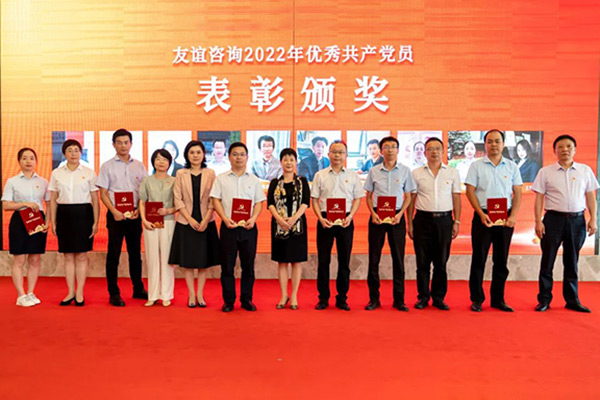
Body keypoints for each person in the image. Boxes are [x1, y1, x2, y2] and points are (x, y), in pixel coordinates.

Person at [532, 135, 599, 313]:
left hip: (577, 221)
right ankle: (544, 299)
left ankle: (572, 300)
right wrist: (538, 221)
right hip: (553, 220)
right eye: (560, 147)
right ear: (555, 150)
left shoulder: (585, 170)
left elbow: (590, 196)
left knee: (572, 261)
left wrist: (594, 218)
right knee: (547, 261)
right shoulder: (545, 172)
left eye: (569, 146)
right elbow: (539, 198)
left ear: (575, 149)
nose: (565, 150)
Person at [465, 129, 522, 312]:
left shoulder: (512, 166)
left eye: (497, 141)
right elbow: (470, 191)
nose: (493, 145)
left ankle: (498, 299)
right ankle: (477, 299)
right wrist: (481, 214)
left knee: (501, 260)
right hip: (483, 217)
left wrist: (513, 216)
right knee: (479, 259)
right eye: (490, 141)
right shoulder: (476, 166)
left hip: (505, 218)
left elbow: (517, 192)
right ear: (485, 144)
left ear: (503, 144)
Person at [211, 142, 266, 312]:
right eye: (235, 154)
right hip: (228, 227)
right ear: (229, 157)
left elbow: (259, 202)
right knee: (227, 266)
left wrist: (253, 219)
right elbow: (215, 200)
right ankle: (228, 301)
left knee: (248, 266)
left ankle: (246, 299)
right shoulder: (221, 178)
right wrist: (224, 219)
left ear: (247, 157)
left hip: (249, 228)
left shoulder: (254, 179)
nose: (238, 158)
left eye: (242, 154)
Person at [407, 138, 461, 310]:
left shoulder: (452, 173)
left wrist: (456, 221)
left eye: (437, 148)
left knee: (441, 262)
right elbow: (411, 199)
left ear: (443, 151)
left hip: (445, 221)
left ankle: (438, 297)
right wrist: (410, 223)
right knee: (422, 262)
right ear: (425, 153)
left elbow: (456, 197)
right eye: (430, 149)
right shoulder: (416, 173)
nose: (434, 152)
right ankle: (423, 297)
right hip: (422, 221)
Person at [96, 129, 148, 306]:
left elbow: (143, 191)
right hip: (115, 215)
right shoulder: (107, 166)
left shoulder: (139, 165)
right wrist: (114, 211)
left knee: (135, 254)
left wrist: (139, 210)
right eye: (119, 142)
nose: (123, 146)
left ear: (131, 144)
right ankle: (113, 293)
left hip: (134, 214)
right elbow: (103, 193)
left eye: (126, 142)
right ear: (113, 145)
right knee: (114, 254)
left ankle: (138, 288)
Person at [363, 137, 415, 311]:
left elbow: (408, 196)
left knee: (398, 259)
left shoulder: (405, 171)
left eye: (393, 147)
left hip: (397, 217)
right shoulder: (374, 171)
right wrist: (373, 214)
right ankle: (374, 299)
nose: (390, 150)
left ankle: (399, 300)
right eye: (387, 147)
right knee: (374, 258)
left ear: (398, 150)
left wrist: (400, 214)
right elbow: (368, 196)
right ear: (381, 150)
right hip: (377, 217)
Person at [312, 140, 364, 311]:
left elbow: (358, 198)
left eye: (341, 152)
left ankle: (342, 298)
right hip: (325, 220)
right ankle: (323, 298)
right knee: (323, 261)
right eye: (334, 152)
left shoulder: (353, 176)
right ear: (328, 154)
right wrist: (320, 218)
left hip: (345, 220)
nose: (337, 155)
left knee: (344, 261)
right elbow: (314, 199)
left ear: (346, 155)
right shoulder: (320, 175)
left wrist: (351, 216)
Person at [169, 141, 220, 308]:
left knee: (204, 261)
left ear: (203, 154)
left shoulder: (210, 173)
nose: (195, 155)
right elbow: (177, 198)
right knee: (188, 261)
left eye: (198, 152)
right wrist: (190, 219)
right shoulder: (180, 173)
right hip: (186, 222)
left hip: (206, 221)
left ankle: (200, 294)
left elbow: (214, 199)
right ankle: (191, 294)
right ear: (186, 155)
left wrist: (205, 220)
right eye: (192, 152)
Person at [49, 139, 100, 306]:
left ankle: (80, 293)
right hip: (64, 214)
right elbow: (53, 199)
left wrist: (96, 222)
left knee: (82, 256)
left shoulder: (89, 172)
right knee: (68, 256)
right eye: (70, 150)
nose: (73, 153)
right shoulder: (57, 173)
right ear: (64, 153)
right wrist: (53, 221)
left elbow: (95, 199)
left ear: (81, 152)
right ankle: (70, 291)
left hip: (84, 214)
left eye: (76, 150)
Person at [2, 148, 50, 307]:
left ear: (36, 161)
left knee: (35, 259)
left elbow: (49, 204)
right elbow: (6, 205)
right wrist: (25, 204)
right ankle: (20, 295)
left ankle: (30, 292)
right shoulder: (12, 181)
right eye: (24, 158)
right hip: (20, 221)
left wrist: (48, 222)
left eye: (31, 158)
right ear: (19, 161)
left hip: (38, 221)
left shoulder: (43, 182)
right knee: (19, 259)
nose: (28, 161)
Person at [267, 148, 310, 310]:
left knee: (297, 262)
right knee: (282, 261)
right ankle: (284, 294)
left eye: (291, 159)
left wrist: (293, 219)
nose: (288, 163)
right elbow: (270, 204)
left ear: (296, 162)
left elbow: (305, 202)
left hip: (298, 226)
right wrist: (280, 220)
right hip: (279, 227)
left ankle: (294, 296)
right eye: (285, 159)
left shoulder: (302, 182)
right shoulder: (274, 183)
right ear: (280, 162)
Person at [139, 149, 177, 307]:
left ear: (169, 162)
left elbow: (179, 204)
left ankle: (166, 295)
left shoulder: (174, 181)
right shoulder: (147, 180)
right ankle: (153, 294)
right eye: (158, 159)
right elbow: (142, 202)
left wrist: (168, 211)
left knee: (167, 259)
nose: (161, 162)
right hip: (151, 224)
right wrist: (144, 220)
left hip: (168, 222)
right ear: (153, 162)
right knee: (152, 258)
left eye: (165, 159)